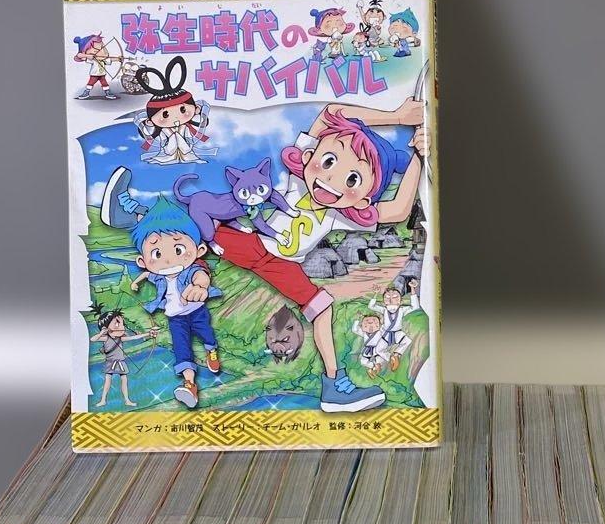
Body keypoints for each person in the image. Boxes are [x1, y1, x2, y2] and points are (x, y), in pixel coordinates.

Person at [101, 94, 427, 414]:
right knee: (197, 222)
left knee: (321, 307)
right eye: (328, 162)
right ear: (310, 155)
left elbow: (399, 210)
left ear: (363, 199)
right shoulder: (298, 180)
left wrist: (417, 156)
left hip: (283, 266)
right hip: (255, 245)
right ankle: (130, 217)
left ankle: (333, 385)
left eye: (353, 179)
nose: (331, 178)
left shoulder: (342, 214)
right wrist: (397, 117)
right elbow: (330, 113)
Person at [129, 196, 221, 409]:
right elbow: (148, 274)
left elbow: (201, 275)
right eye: (157, 253)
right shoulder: (158, 275)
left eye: (178, 249)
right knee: (181, 349)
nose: (168, 260)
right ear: (142, 261)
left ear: (199, 250)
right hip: (175, 318)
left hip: (196, 312)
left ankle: (211, 350)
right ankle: (190, 385)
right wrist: (136, 281)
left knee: (206, 335)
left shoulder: (192, 270)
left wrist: (200, 287)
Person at [90, 309, 155, 408]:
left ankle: (127, 400)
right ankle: (103, 400)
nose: (121, 327)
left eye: (122, 324)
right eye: (117, 324)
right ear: (106, 328)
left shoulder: (121, 338)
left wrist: (148, 334)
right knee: (108, 381)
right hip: (110, 362)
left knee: (124, 381)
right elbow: (92, 339)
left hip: (120, 362)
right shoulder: (106, 338)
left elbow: (134, 337)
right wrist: (101, 333)